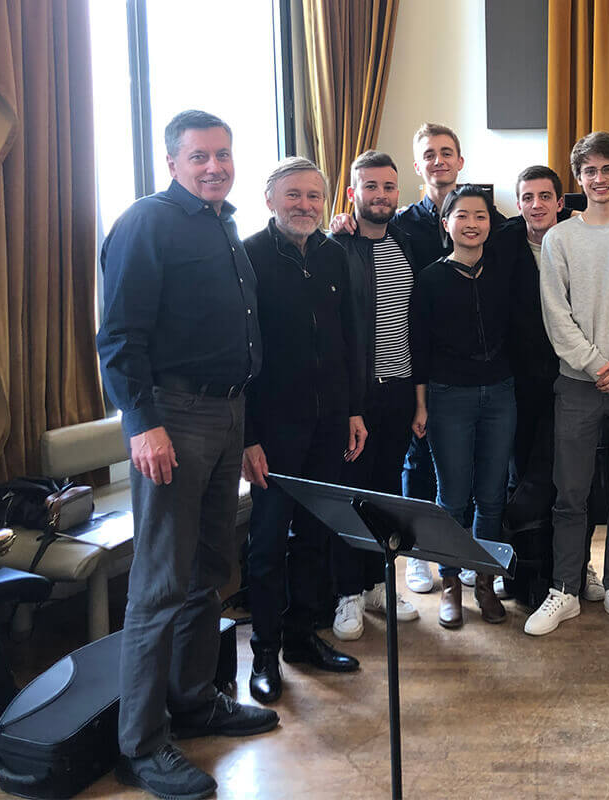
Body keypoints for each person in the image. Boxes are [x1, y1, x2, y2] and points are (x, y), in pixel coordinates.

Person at [97, 110, 277, 800]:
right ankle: (141, 746)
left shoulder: (222, 225)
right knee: (160, 584)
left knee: (209, 570)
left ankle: (195, 700)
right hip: (173, 417)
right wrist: (143, 424)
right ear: (172, 162)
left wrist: (247, 430)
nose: (214, 166)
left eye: (223, 154)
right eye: (199, 156)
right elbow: (120, 335)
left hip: (227, 414)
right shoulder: (148, 222)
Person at [333, 124, 505, 597]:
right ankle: (407, 561)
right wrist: (339, 222)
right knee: (412, 471)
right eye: (429, 154)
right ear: (418, 165)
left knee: (433, 477)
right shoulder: (401, 224)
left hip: (427, 375)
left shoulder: (476, 219)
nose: (438, 161)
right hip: (392, 381)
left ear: (460, 162)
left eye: (447, 152)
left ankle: (438, 562)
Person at [525, 131, 609, 636]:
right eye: (589, 171)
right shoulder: (559, 238)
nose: (599, 179)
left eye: (607, 169)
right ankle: (565, 588)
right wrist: (594, 364)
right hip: (576, 384)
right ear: (577, 179)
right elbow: (555, 315)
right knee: (570, 493)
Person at [241, 157, 363, 705]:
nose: (305, 205)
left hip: (329, 424)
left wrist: (354, 410)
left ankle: (302, 637)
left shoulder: (334, 255)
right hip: (273, 430)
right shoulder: (247, 255)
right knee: (268, 543)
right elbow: (240, 355)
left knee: (316, 536)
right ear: (270, 199)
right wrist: (247, 436)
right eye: (294, 195)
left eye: (314, 196)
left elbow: (349, 339)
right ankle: (264, 651)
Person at [492, 165, 605, 606]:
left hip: (576, 377)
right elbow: (452, 227)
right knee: (523, 479)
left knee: (578, 480)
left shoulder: (581, 239)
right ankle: (519, 568)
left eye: (545, 196)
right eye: (527, 197)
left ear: (561, 202)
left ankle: (579, 566)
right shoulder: (502, 241)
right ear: (518, 204)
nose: (536, 205)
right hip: (521, 386)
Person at [409, 186, 514, 628]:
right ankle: (450, 581)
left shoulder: (503, 272)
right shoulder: (430, 278)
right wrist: (420, 405)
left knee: (491, 496)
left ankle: (484, 581)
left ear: (491, 224)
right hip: (448, 396)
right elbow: (417, 348)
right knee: (452, 496)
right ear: (446, 223)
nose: (472, 223)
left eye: (481, 216)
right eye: (462, 216)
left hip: (500, 395)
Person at [330, 150, 423, 642]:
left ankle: (378, 584)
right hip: (357, 398)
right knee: (352, 493)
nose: (380, 195)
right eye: (370, 186)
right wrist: (350, 405)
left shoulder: (407, 242)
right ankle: (347, 592)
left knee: (387, 493)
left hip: (399, 391)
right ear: (353, 193)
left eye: (388, 187)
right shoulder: (336, 247)